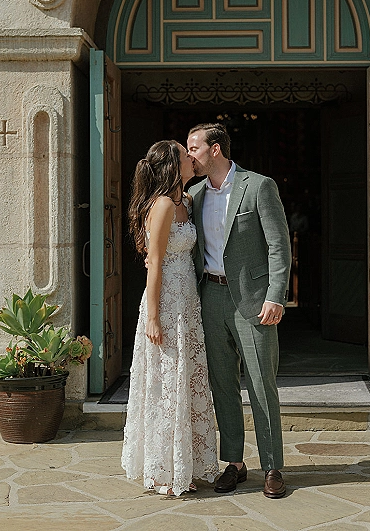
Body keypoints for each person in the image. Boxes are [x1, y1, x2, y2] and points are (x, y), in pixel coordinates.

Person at [187, 122, 291, 499]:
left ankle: (273, 466)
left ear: (215, 149)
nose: (189, 156)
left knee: (263, 385)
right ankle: (234, 463)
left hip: (254, 300)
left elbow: (279, 245)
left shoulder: (258, 186)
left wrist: (276, 295)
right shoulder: (193, 193)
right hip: (210, 298)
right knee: (222, 387)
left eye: (194, 148)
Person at [121, 140, 219, 496]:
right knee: (166, 384)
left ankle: (185, 464)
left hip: (187, 303)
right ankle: (164, 470)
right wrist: (152, 318)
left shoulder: (186, 201)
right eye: (185, 154)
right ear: (174, 165)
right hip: (165, 304)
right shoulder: (162, 205)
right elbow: (156, 262)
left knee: (186, 380)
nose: (192, 158)